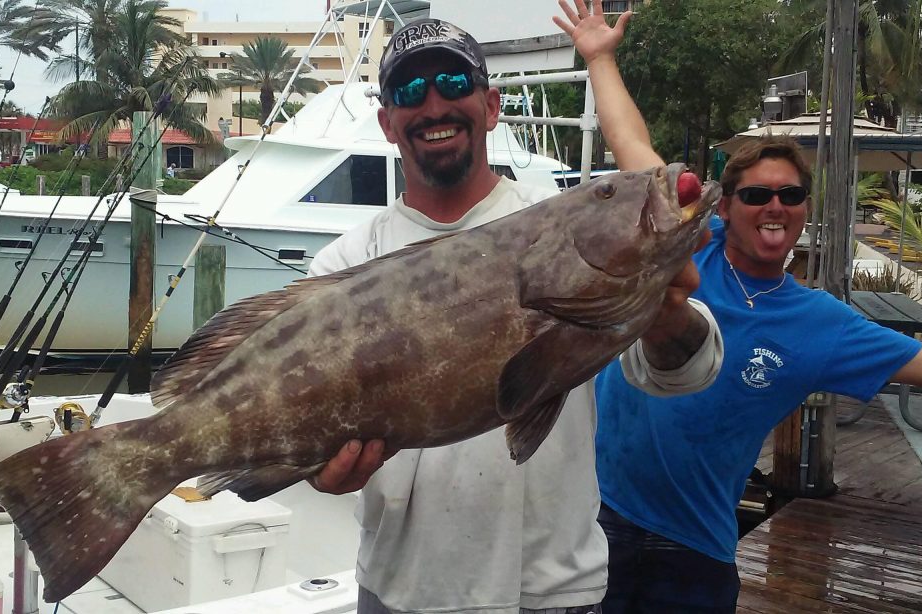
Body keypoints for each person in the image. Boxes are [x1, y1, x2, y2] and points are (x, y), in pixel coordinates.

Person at [306, 11, 725, 614]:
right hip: (399, 591)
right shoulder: (343, 264)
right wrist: (321, 475)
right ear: (387, 123)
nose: (433, 106)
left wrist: (664, 318)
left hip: (551, 593)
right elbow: (302, 437)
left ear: (492, 105)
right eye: (408, 92)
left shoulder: (561, 221)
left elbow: (688, 369)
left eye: (453, 84)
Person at [567, 1, 922, 610]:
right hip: (592, 516)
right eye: (756, 194)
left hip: (693, 549)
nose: (774, 205)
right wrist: (599, 57)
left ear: (806, 207)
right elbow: (633, 144)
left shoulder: (820, 322)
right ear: (723, 205)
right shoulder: (683, 249)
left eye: (790, 193)